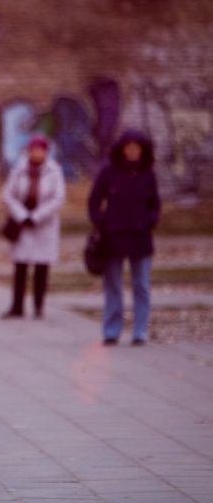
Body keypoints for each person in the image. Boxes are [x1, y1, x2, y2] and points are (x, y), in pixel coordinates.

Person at [87, 129, 161, 345]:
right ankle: (112, 330)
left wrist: (150, 220)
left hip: (140, 237)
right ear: (121, 149)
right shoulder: (109, 172)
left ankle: (140, 332)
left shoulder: (148, 174)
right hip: (113, 237)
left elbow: (155, 204)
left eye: (136, 148)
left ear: (142, 150)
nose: (132, 152)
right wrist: (101, 221)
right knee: (113, 286)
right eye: (128, 147)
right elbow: (94, 200)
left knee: (141, 285)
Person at [1, 134, 66, 319]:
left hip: (44, 225)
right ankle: (17, 306)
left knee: (41, 267)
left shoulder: (54, 171)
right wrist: (22, 215)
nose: (36, 153)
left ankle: (38, 306)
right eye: (33, 149)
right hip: (22, 224)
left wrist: (36, 217)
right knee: (20, 266)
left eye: (40, 149)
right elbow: (8, 194)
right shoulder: (19, 169)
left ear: (46, 151)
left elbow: (57, 198)